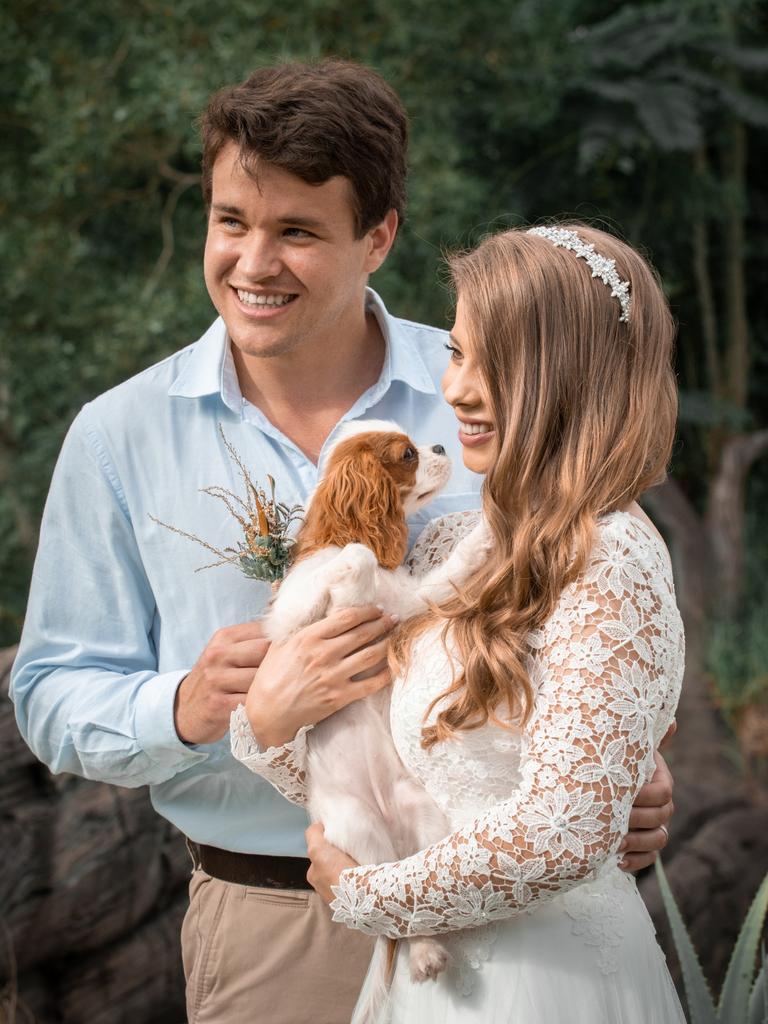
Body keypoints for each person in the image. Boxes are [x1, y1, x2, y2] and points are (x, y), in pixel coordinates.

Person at [10, 62, 674, 1024]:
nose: (252, 262)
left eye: (297, 232)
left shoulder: (497, 389)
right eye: (232, 220)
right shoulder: (120, 437)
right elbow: (49, 695)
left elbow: (601, 610)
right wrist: (192, 706)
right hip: (268, 916)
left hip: (506, 906)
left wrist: (629, 767)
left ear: (379, 237)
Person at [233, 223, 687, 1022]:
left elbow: (565, 833)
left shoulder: (614, 556)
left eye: (493, 363)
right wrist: (267, 721)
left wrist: (368, 896)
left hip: (548, 982)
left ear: (567, 377)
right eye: (455, 352)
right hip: (427, 983)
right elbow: (368, 751)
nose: (456, 390)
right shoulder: (449, 539)